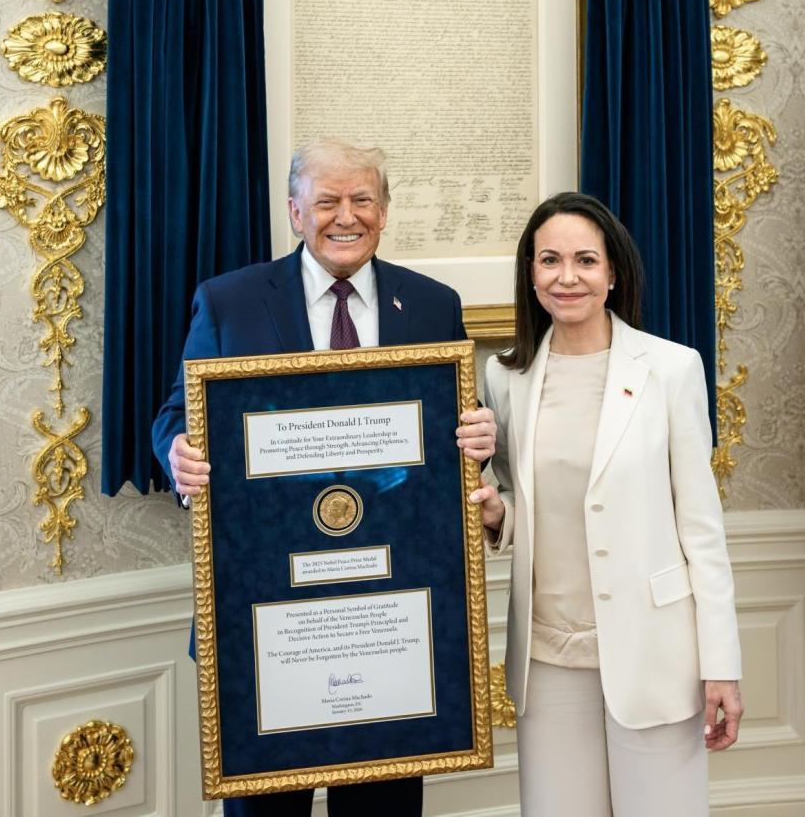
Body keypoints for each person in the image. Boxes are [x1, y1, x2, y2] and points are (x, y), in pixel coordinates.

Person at [152, 139, 497, 817]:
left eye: (362, 200)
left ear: (384, 211)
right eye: (328, 201)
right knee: (265, 807)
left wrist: (478, 440)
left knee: (383, 803)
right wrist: (178, 452)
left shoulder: (431, 304)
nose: (347, 216)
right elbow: (176, 414)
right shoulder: (230, 301)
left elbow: (448, 438)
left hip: (392, 602)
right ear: (294, 211)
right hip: (266, 603)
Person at [471, 192, 742, 816]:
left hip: (655, 652)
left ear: (613, 273)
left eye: (586, 261)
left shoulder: (671, 370)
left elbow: (702, 530)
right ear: (530, 273)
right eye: (549, 261)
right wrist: (496, 515)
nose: (567, 277)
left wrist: (721, 665)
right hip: (547, 657)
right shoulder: (505, 378)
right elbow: (516, 494)